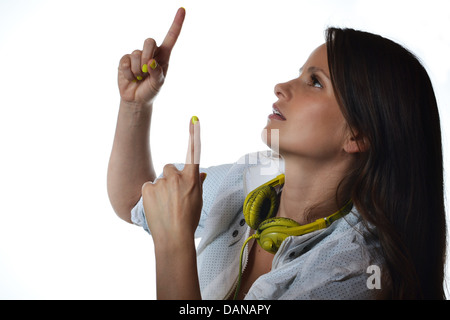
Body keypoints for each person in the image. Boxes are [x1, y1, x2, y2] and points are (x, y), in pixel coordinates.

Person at [107, 8, 447, 299]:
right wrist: (135, 106)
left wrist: (173, 244)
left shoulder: (354, 275)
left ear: (357, 134)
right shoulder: (253, 177)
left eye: (315, 82)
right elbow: (134, 199)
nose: (281, 87)